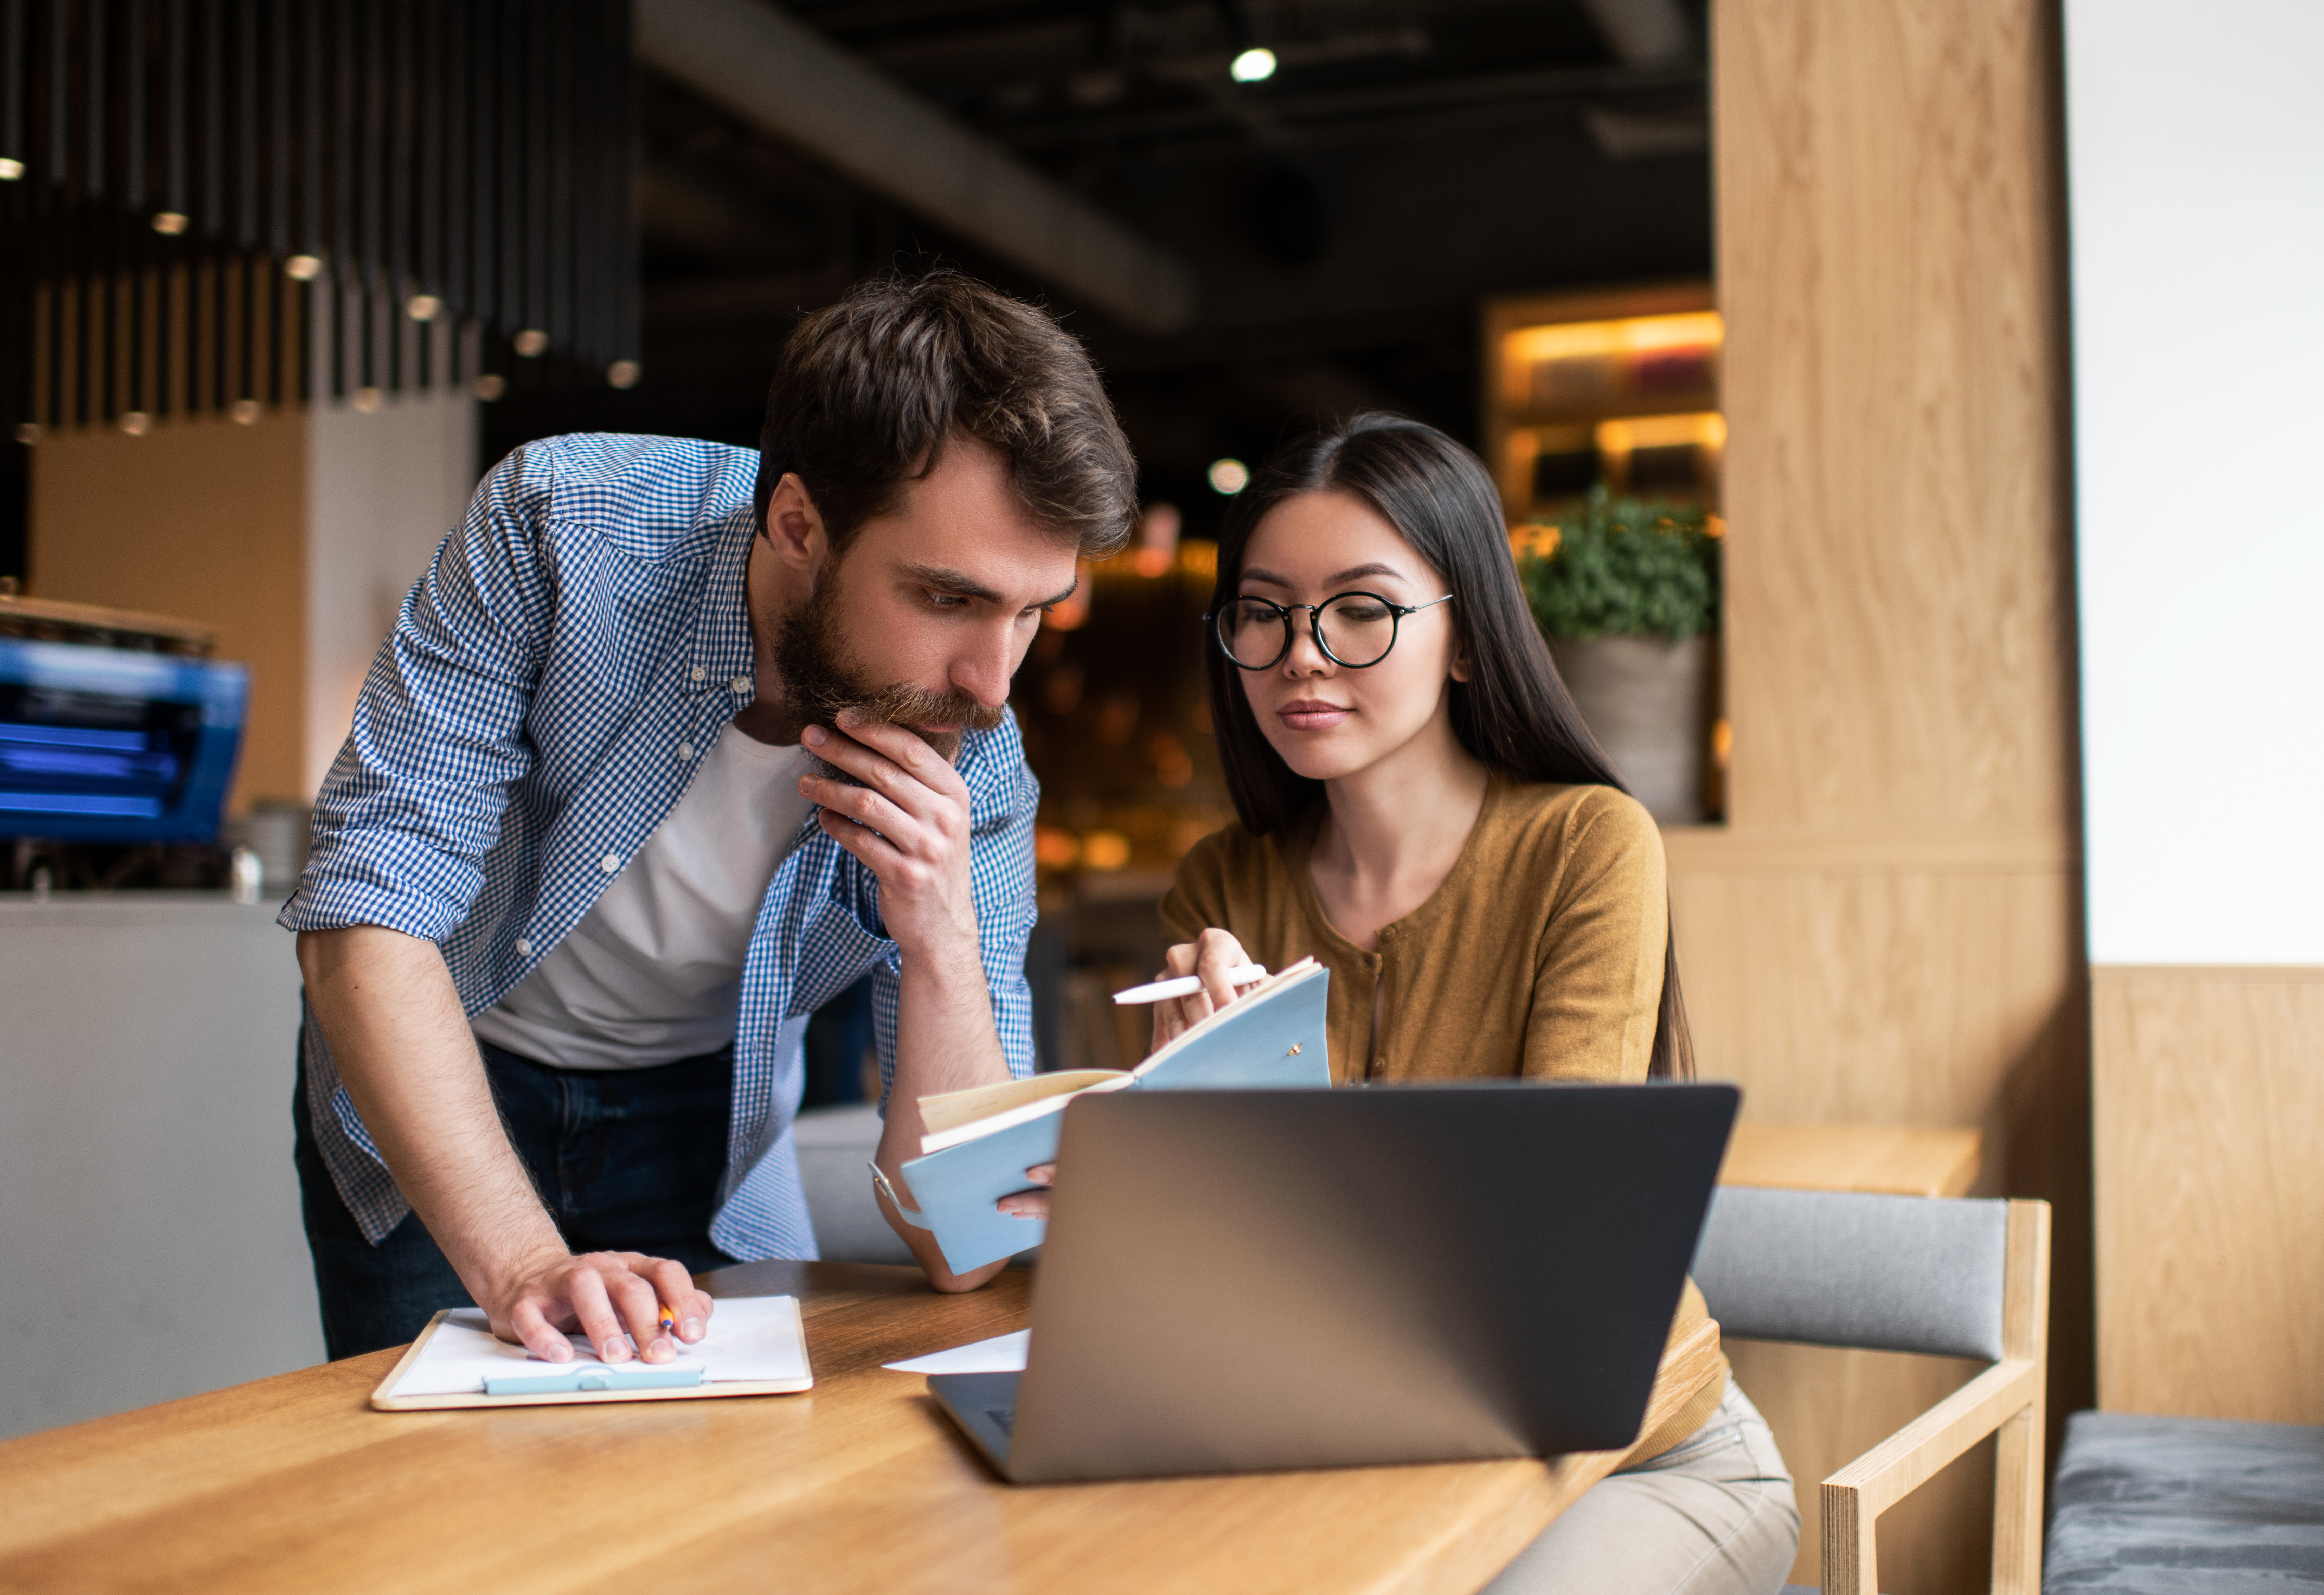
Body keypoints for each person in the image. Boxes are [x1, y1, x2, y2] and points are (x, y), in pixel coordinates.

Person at [283, 271, 1137, 1367]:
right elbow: (365, 921)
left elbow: (965, 1246)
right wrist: (527, 1263)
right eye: (947, 598)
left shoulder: (981, 756)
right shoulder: (562, 526)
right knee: (439, 1502)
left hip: (707, 1112)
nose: (992, 683)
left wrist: (942, 937)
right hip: (447, 1069)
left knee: (714, 1500)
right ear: (797, 525)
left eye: (1032, 614)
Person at [1143, 414, 1799, 1593]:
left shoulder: (1588, 846)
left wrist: (1276, 1134)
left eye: (1360, 608)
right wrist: (1186, 1133)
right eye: (1262, 610)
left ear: (1463, 639)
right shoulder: (1220, 887)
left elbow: (1549, 1229)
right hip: (1355, 1450)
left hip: (1633, 1458)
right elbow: (1216, 1283)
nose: (1302, 653)